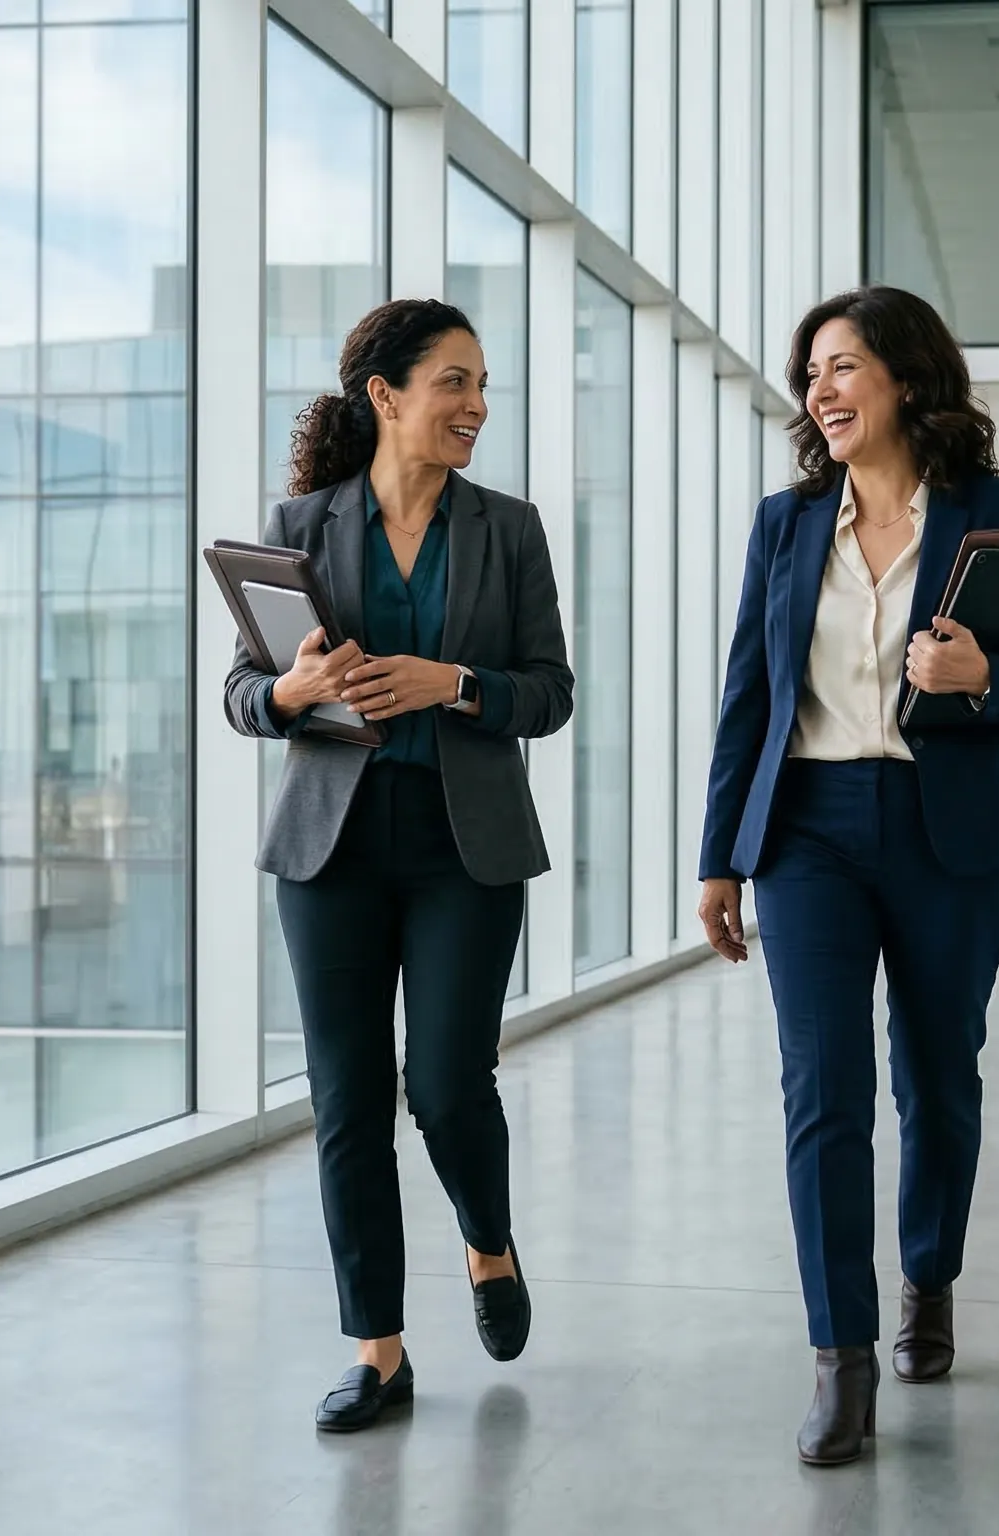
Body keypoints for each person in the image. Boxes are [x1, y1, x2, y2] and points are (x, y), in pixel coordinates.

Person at [696, 286, 999, 1465]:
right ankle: (841, 1356)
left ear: (906, 379)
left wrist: (984, 678)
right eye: (810, 372)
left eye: (841, 366)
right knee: (822, 1092)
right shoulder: (784, 525)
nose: (818, 389)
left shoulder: (996, 514)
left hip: (948, 834)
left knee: (936, 1079)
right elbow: (749, 698)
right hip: (806, 833)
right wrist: (719, 859)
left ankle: (929, 1278)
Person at [224, 297, 574, 1433]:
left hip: (464, 846)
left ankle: (487, 1241)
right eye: (454, 382)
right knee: (348, 1101)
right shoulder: (300, 526)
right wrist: (291, 691)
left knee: (446, 1084)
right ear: (386, 395)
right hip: (330, 847)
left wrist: (453, 685)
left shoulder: (507, 529)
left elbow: (550, 691)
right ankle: (377, 1351)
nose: (477, 405)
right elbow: (243, 693)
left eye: (482, 386)